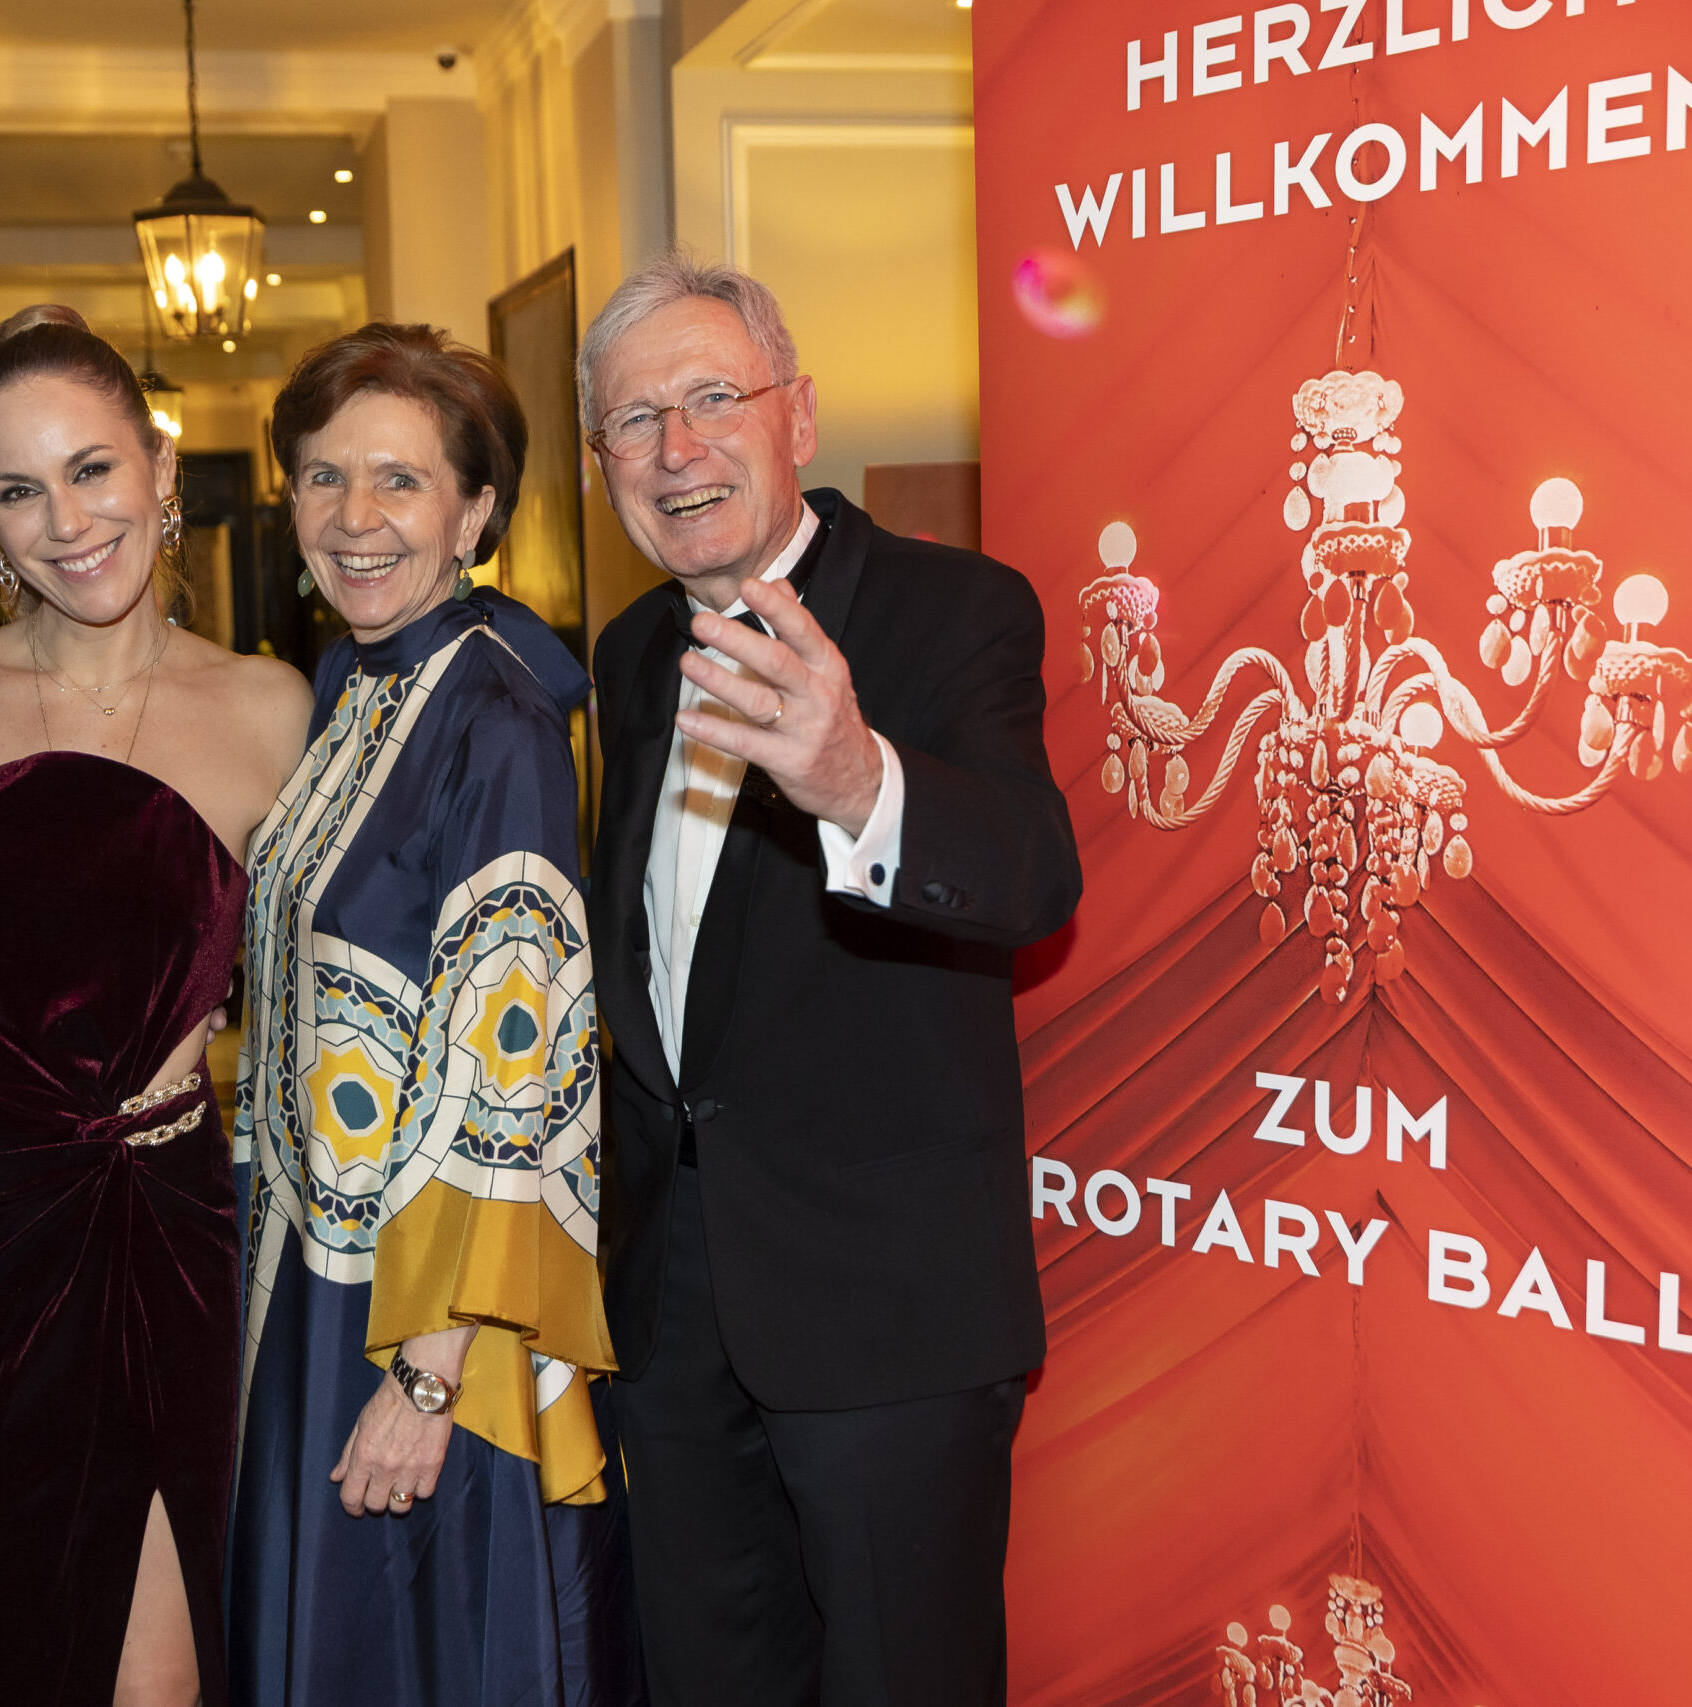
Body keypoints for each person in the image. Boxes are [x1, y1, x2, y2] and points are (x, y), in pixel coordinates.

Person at [579, 254, 1084, 1707]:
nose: (676, 449)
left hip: (887, 1314)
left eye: (712, 398)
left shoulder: (955, 610)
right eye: (634, 421)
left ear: (796, 416)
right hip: (674, 1312)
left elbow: (1033, 876)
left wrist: (858, 778)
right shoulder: (630, 651)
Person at [0, 304, 311, 1707]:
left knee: (160, 1676)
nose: (65, 522)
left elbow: (327, 1014)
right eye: (19, 490)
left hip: (169, 1236)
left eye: (91, 469)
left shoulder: (271, 710)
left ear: (160, 467)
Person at [228, 323, 641, 1707]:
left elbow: (513, 1072)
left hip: (419, 1308)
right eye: (324, 476)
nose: (355, 517)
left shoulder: (497, 723)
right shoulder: (357, 683)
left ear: (474, 514)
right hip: (318, 1277)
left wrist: (426, 1383)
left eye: (399, 481)